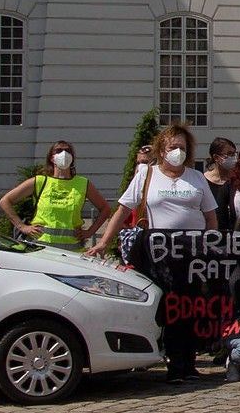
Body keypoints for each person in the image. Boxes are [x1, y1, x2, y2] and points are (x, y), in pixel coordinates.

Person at [89, 124, 218, 381]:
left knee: (190, 307)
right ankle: (171, 363)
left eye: (182, 147)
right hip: (159, 255)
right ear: (162, 149)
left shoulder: (196, 177)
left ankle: (187, 363)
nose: (177, 152)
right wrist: (104, 241)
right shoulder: (147, 176)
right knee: (168, 308)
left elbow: (210, 217)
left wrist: (210, 246)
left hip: (192, 255)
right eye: (173, 147)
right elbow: (123, 211)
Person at [0, 141, 113, 249]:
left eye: (68, 151)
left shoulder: (82, 183)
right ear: (51, 157)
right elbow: (5, 201)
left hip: (72, 248)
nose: (64, 154)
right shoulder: (40, 181)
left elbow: (105, 209)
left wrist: (90, 232)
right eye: (58, 151)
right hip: (41, 247)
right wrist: (22, 227)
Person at [201, 138, 239, 227]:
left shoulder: (238, 181)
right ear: (216, 157)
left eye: (234, 154)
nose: (233, 158)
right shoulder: (203, 181)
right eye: (229, 154)